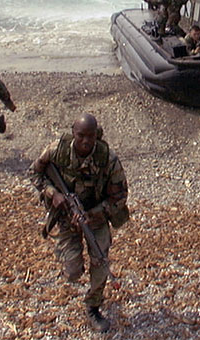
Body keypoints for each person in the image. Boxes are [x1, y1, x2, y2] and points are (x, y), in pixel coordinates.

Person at [29, 113, 129, 333]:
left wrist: (94, 214)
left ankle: (93, 307)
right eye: (81, 135)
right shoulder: (57, 150)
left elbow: (120, 197)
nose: (86, 141)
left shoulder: (108, 159)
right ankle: (66, 254)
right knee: (73, 272)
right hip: (66, 217)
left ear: (96, 135)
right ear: (73, 133)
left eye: (90, 136)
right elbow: (34, 173)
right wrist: (53, 194)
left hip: (96, 218)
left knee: (100, 261)